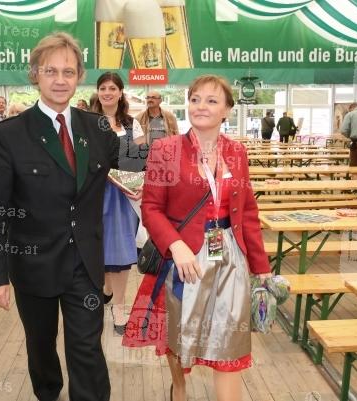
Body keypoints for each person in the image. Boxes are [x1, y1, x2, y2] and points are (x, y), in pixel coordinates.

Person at [0, 32, 145, 401]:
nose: (60, 79)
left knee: (87, 348)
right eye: (50, 71)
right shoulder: (10, 134)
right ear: (35, 74)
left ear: (79, 76)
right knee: (41, 347)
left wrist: (197, 141)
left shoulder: (97, 128)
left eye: (69, 72)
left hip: (84, 264)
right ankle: (48, 394)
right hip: (32, 264)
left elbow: (137, 165)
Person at [123, 75, 272, 401]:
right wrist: (175, 246)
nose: (201, 106)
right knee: (179, 335)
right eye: (195, 99)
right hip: (183, 259)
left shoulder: (237, 153)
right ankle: (179, 385)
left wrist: (261, 268)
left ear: (227, 111)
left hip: (228, 255)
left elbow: (247, 212)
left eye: (212, 100)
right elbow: (151, 208)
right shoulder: (165, 149)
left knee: (230, 338)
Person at [92, 71, 144, 335]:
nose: (108, 92)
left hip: (123, 196)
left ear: (120, 92)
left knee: (120, 251)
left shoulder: (131, 124)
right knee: (99, 249)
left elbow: (142, 159)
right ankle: (108, 289)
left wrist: (136, 182)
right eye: (103, 87)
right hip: (93, 194)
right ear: (97, 91)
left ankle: (119, 309)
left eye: (113, 88)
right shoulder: (87, 121)